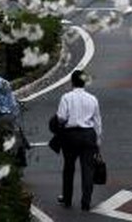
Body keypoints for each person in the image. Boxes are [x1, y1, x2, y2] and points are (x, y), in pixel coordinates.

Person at [55, 69, 102, 211]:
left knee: (69, 167)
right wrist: (98, 140)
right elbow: (97, 122)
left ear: (72, 82)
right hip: (88, 135)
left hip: (70, 135)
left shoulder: (66, 98)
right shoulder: (92, 99)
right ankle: (86, 202)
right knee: (88, 169)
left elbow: (61, 117)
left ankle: (67, 199)